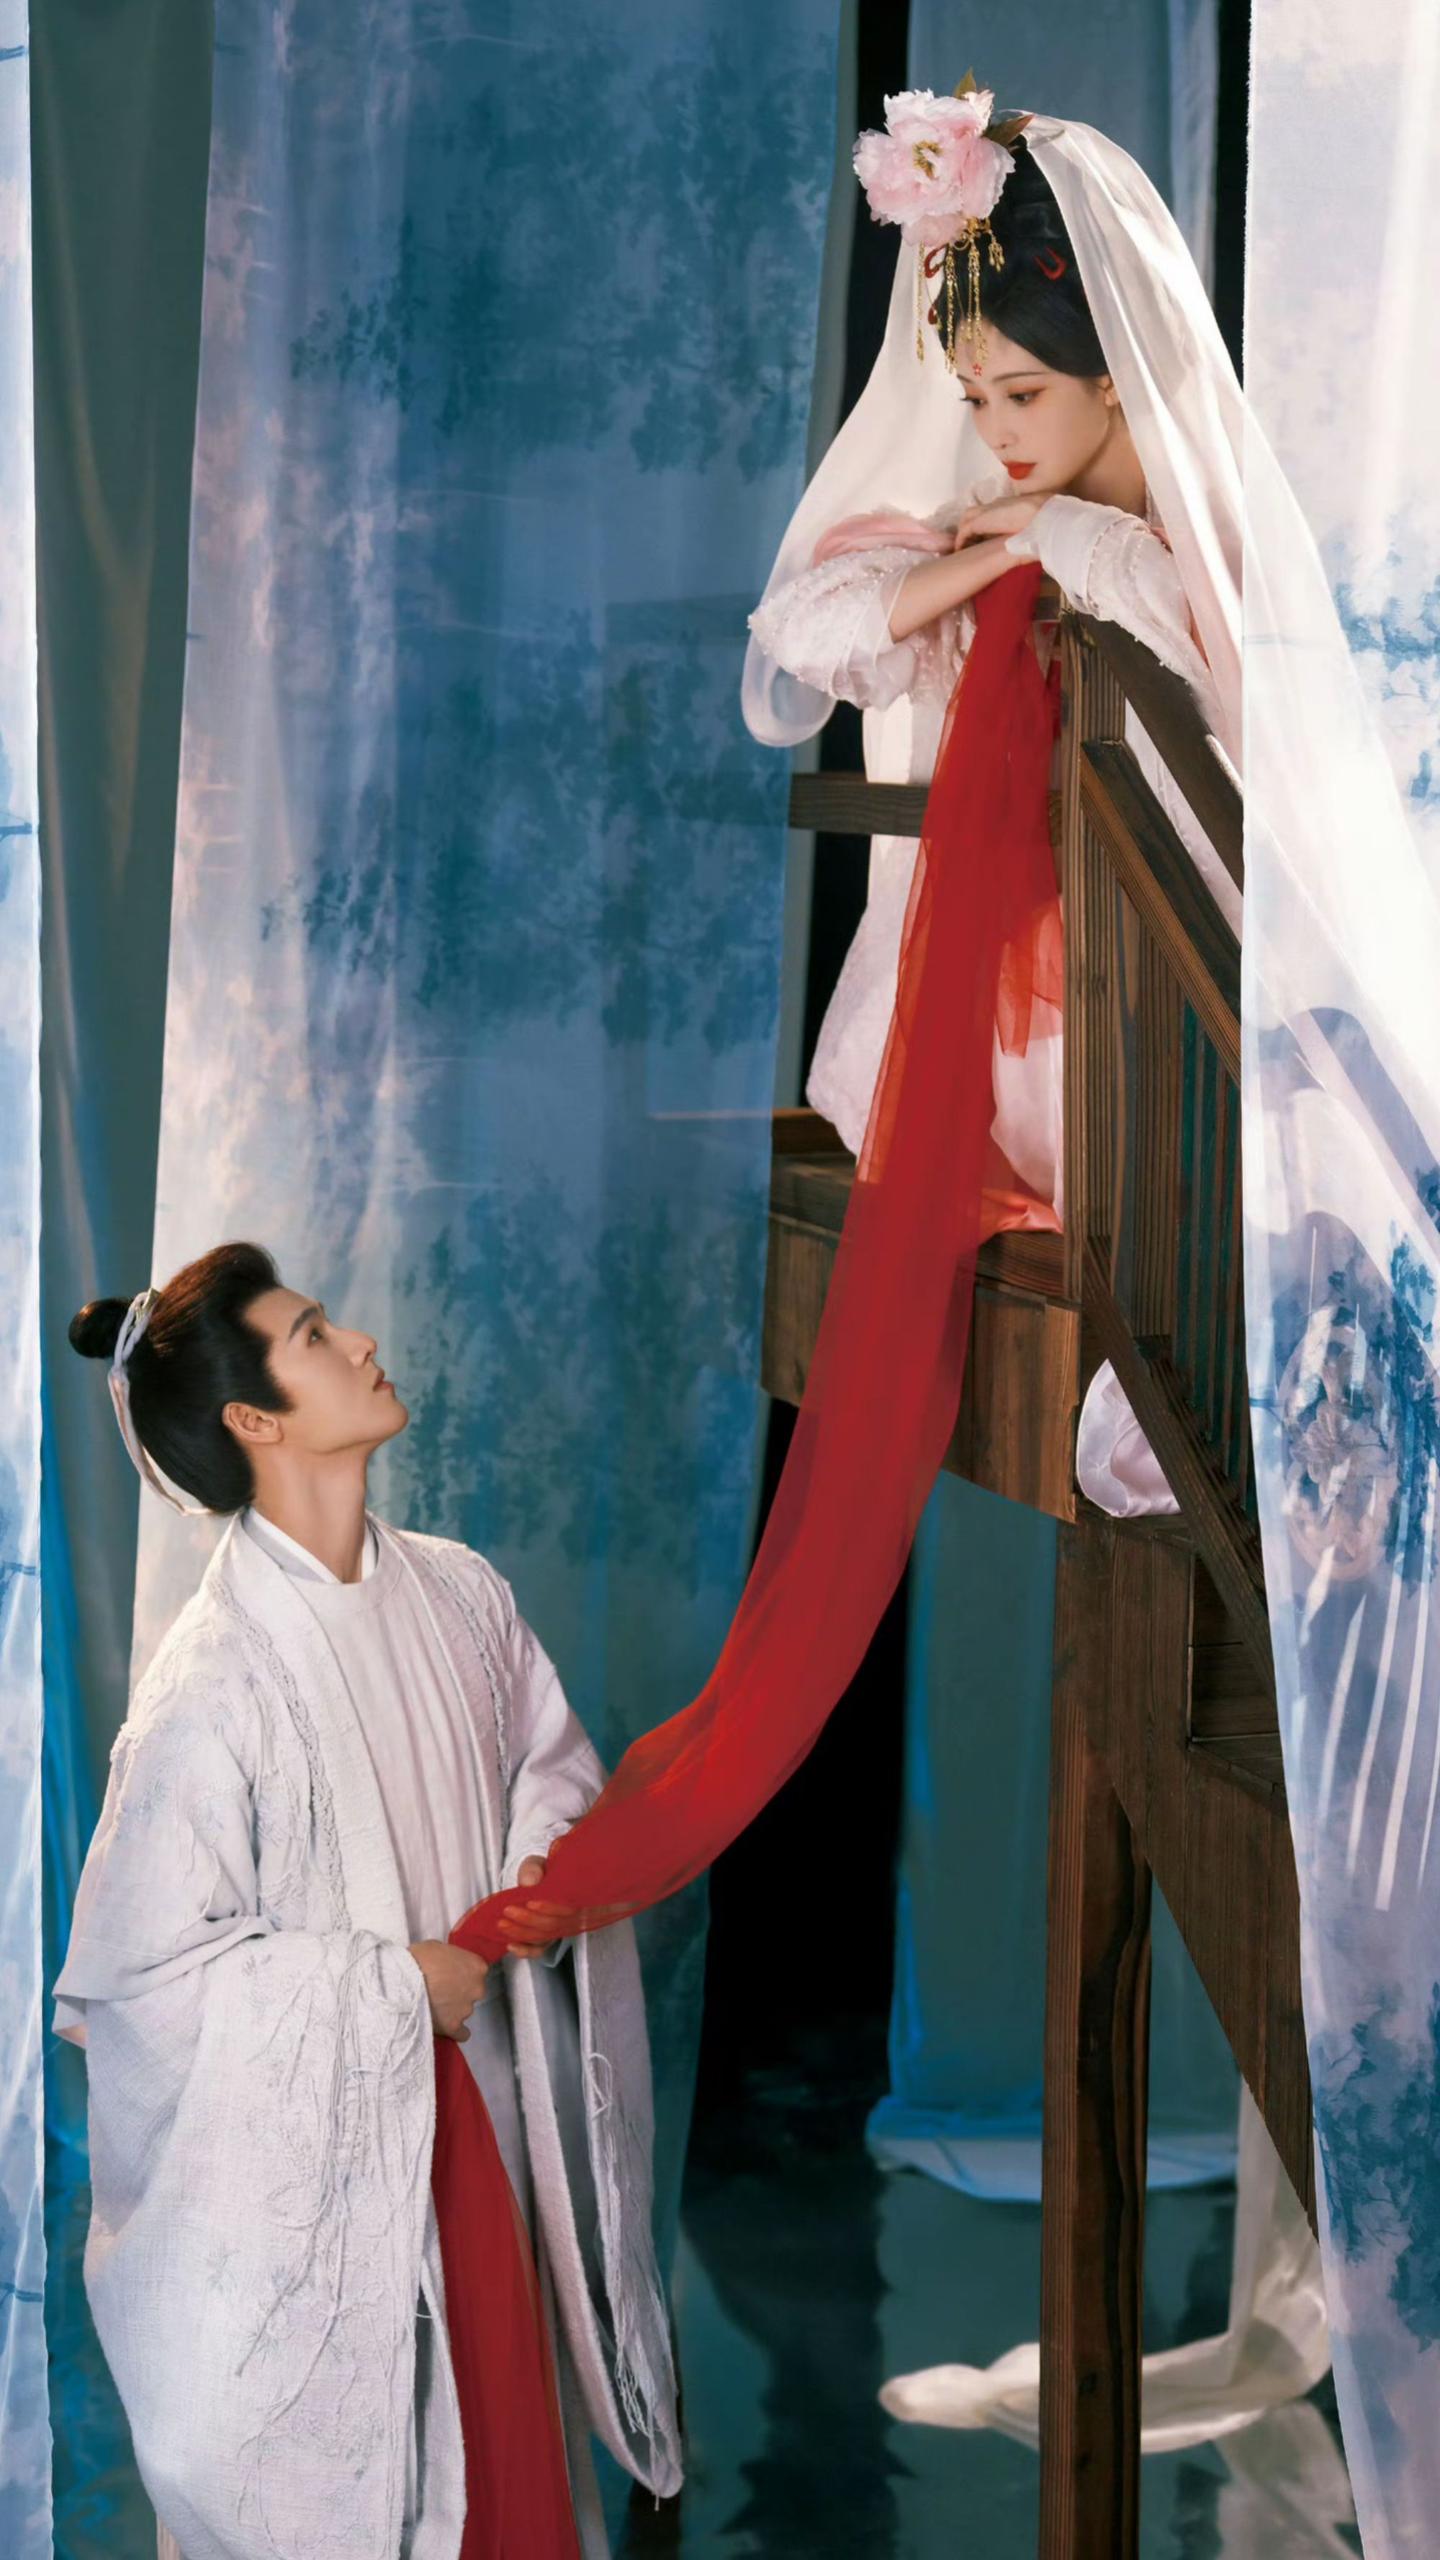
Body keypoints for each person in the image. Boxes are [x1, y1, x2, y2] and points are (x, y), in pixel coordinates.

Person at [55, 1241, 679, 2560]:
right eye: (315, 1337)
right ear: (254, 1419)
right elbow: (144, 1986)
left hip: (489, 2123)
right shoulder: (210, 1684)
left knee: (508, 2465)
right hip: (352, 2180)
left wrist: (539, 1860)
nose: (361, 1344)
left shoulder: (461, 1589)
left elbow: (549, 1764)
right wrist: (390, 1988)